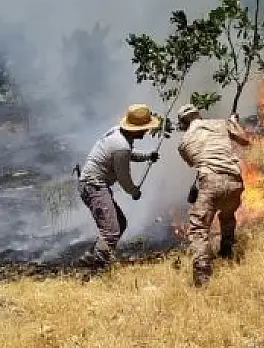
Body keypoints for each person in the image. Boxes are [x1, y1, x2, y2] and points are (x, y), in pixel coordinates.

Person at [76, 103, 162, 269]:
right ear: (135, 128)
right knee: (111, 231)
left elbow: (125, 154)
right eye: (144, 128)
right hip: (94, 186)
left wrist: (146, 156)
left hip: (92, 185)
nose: (146, 132)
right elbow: (124, 178)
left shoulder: (118, 133)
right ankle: (98, 268)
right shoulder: (121, 145)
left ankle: (89, 257)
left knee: (120, 223)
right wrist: (134, 191)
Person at [175, 103, 251, 287]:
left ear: (183, 123)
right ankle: (226, 252)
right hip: (235, 181)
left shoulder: (184, 143)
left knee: (199, 228)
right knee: (227, 215)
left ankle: (202, 273)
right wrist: (234, 122)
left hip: (210, 182)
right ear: (198, 114)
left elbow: (195, 162)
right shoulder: (221, 124)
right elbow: (244, 140)